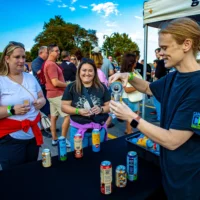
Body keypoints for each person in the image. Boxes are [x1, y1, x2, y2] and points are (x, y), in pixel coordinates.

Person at [109, 18, 200, 199]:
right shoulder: (174, 77)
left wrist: (131, 117)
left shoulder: (197, 86)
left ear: (186, 44)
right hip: (169, 173)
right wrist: (128, 75)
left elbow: (173, 140)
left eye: (165, 48)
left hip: (189, 181)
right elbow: (148, 87)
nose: (160, 53)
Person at [0, 41, 46, 170]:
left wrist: (41, 102)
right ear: (7, 59)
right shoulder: (1, 80)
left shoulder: (30, 78)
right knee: (14, 177)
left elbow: (42, 97)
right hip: (10, 140)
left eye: (23, 57)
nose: (21, 60)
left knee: (31, 170)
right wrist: (11, 110)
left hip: (33, 136)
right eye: (17, 57)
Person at [61, 60, 111, 151]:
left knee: (97, 157)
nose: (87, 73)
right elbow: (64, 106)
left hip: (98, 130)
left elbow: (109, 106)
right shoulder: (71, 87)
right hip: (78, 131)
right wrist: (78, 111)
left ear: (94, 72)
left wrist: (101, 109)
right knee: (78, 159)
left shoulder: (102, 87)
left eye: (90, 70)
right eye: (84, 70)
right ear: (79, 71)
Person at [44, 44, 70, 147]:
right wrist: (67, 85)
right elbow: (55, 82)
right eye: (56, 51)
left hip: (51, 94)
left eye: (58, 50)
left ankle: (54, 139)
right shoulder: (51, 64)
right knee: (68, 116)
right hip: (56, 94)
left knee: (53, 117)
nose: (58, 52)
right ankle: (62, 140)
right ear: (50, 52)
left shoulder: (49, 63)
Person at [121, 53, 143, 134]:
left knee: (134, 116)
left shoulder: (135, 72)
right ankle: (129, 132)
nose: (136, 62)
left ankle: (128, 130)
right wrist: (139, 87)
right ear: (131, 63)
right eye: (135, 61)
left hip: (134, 98)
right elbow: (126, 89)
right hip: (129, 99)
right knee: (131, 117)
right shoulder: (126, 74)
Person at [31, 46, 50, 117]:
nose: (48, 54)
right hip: (40, 89)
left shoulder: (46, 62)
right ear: (41, 53)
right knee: (44, 109)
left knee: (48, 109)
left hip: (45, 88)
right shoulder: (36, 62)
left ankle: (49, 127)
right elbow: (40, 73)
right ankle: (44, 127)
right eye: (47, 53)